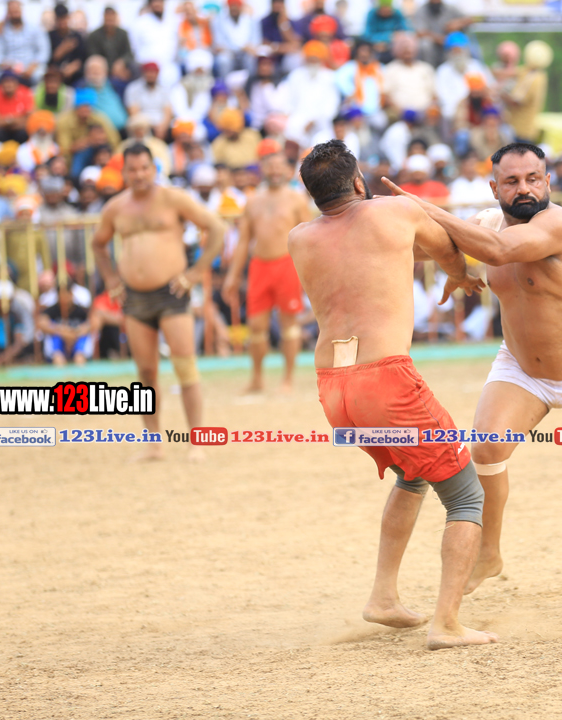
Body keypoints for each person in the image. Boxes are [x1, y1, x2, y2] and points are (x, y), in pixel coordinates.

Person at [384, 142, 562, 608]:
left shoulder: (560, 224)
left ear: (547, 181)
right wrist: (429, 250)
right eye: (512, 181)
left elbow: (498, 252)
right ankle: (489, 554)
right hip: (521, 365)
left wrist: (421, 206)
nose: (524, 189)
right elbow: (436, 244)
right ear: (494, 187)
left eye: (533, 179)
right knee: (486, 447)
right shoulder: (484, 223)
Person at [288, 139, 493, 650]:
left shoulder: (300, 239)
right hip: (385, 379)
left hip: (334, 390)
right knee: (467, 496)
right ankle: (447, 623)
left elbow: (369, 249)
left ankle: (383, 597)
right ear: (359, 182)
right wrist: (459, 276)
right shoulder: (396, 212)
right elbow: (444, 245)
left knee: (412, 472)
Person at [91, 144, 226, 462]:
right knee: (146, 372)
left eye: (144, 168)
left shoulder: (173, 198)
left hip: (172, 293)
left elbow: (216, 228)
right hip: (134, 297)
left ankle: (197, 442)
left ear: (153, 169)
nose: (139, 175)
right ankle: (153, 443)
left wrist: (195, 273)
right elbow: (98, 244)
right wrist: (110, 279)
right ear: (124, 172)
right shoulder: (115, 207)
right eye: (132, 169)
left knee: (185, 365)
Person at [223, 151, 311, 393]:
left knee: (289, 324)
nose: (274, 171)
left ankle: (288, 379)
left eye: (278, 166)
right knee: (256, 326)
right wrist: (233, 275)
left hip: (286, 264)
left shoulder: (296, 199)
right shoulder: (252, 201)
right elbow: (243, 241)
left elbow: (307, 236)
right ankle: (257, 379)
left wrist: (308, 270)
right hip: (259, 266)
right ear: (262, 169)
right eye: (270, 166)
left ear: (287, 170)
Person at [0, 0, 50, 85]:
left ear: (21, 10)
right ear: (8, 12)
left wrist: (32, 66)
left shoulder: (35, 28)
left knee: (40, 75)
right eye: (12, 11)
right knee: (0, 76)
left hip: (31, 66)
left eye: (16, 10)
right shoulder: (1, 30)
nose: (15, 13)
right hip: (9, 67)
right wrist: (9, 66)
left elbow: (44, 52)